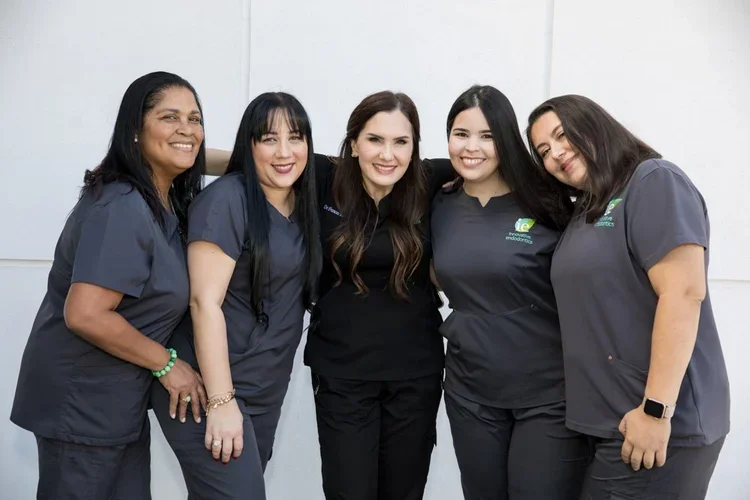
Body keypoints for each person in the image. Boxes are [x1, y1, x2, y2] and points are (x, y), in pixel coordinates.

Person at [10, 71, 208, 499]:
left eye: (195, 119)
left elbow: (190, 147)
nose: (186, 129)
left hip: (116, 406)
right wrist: (169, 365)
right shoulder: (122, 207)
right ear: (135, 130)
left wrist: (260, 154)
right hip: (82, 405)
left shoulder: (158, 200)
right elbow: (85, 313)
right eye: (170, 116)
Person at [527, 94, 730, 499]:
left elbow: (684, 293)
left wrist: (655, 411)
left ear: (596, 124)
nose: (556, 154)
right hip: (607, 422)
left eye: (563, 135)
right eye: (544, 151)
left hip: (659, 423)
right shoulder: (588, 206)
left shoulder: (653, 180)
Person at [151, 92, 321, 500]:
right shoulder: (227, 200)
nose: (284, 152)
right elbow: (203, 303)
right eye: (268, 139)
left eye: (295, 138)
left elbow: (379, 162)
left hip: (265, 389)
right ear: (249, 144)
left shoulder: (307, 199)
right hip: (208, 388)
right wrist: (222, 402)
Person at [430, 85, 590, 500]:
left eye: (487, 136)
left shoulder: (548, 201)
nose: (472, 148)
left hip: (548, 397)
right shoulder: (438, 203)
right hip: (471, 394)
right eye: (461, 134)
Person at [304, 91, 454, 500]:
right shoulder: (321, 179)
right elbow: (252, 159)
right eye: (375, 140)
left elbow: (503, 166)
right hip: (341, 374)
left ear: (414, 148)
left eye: (401, 142)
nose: (388, 154)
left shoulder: (433, 181)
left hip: (415, 374)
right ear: (353, 143)